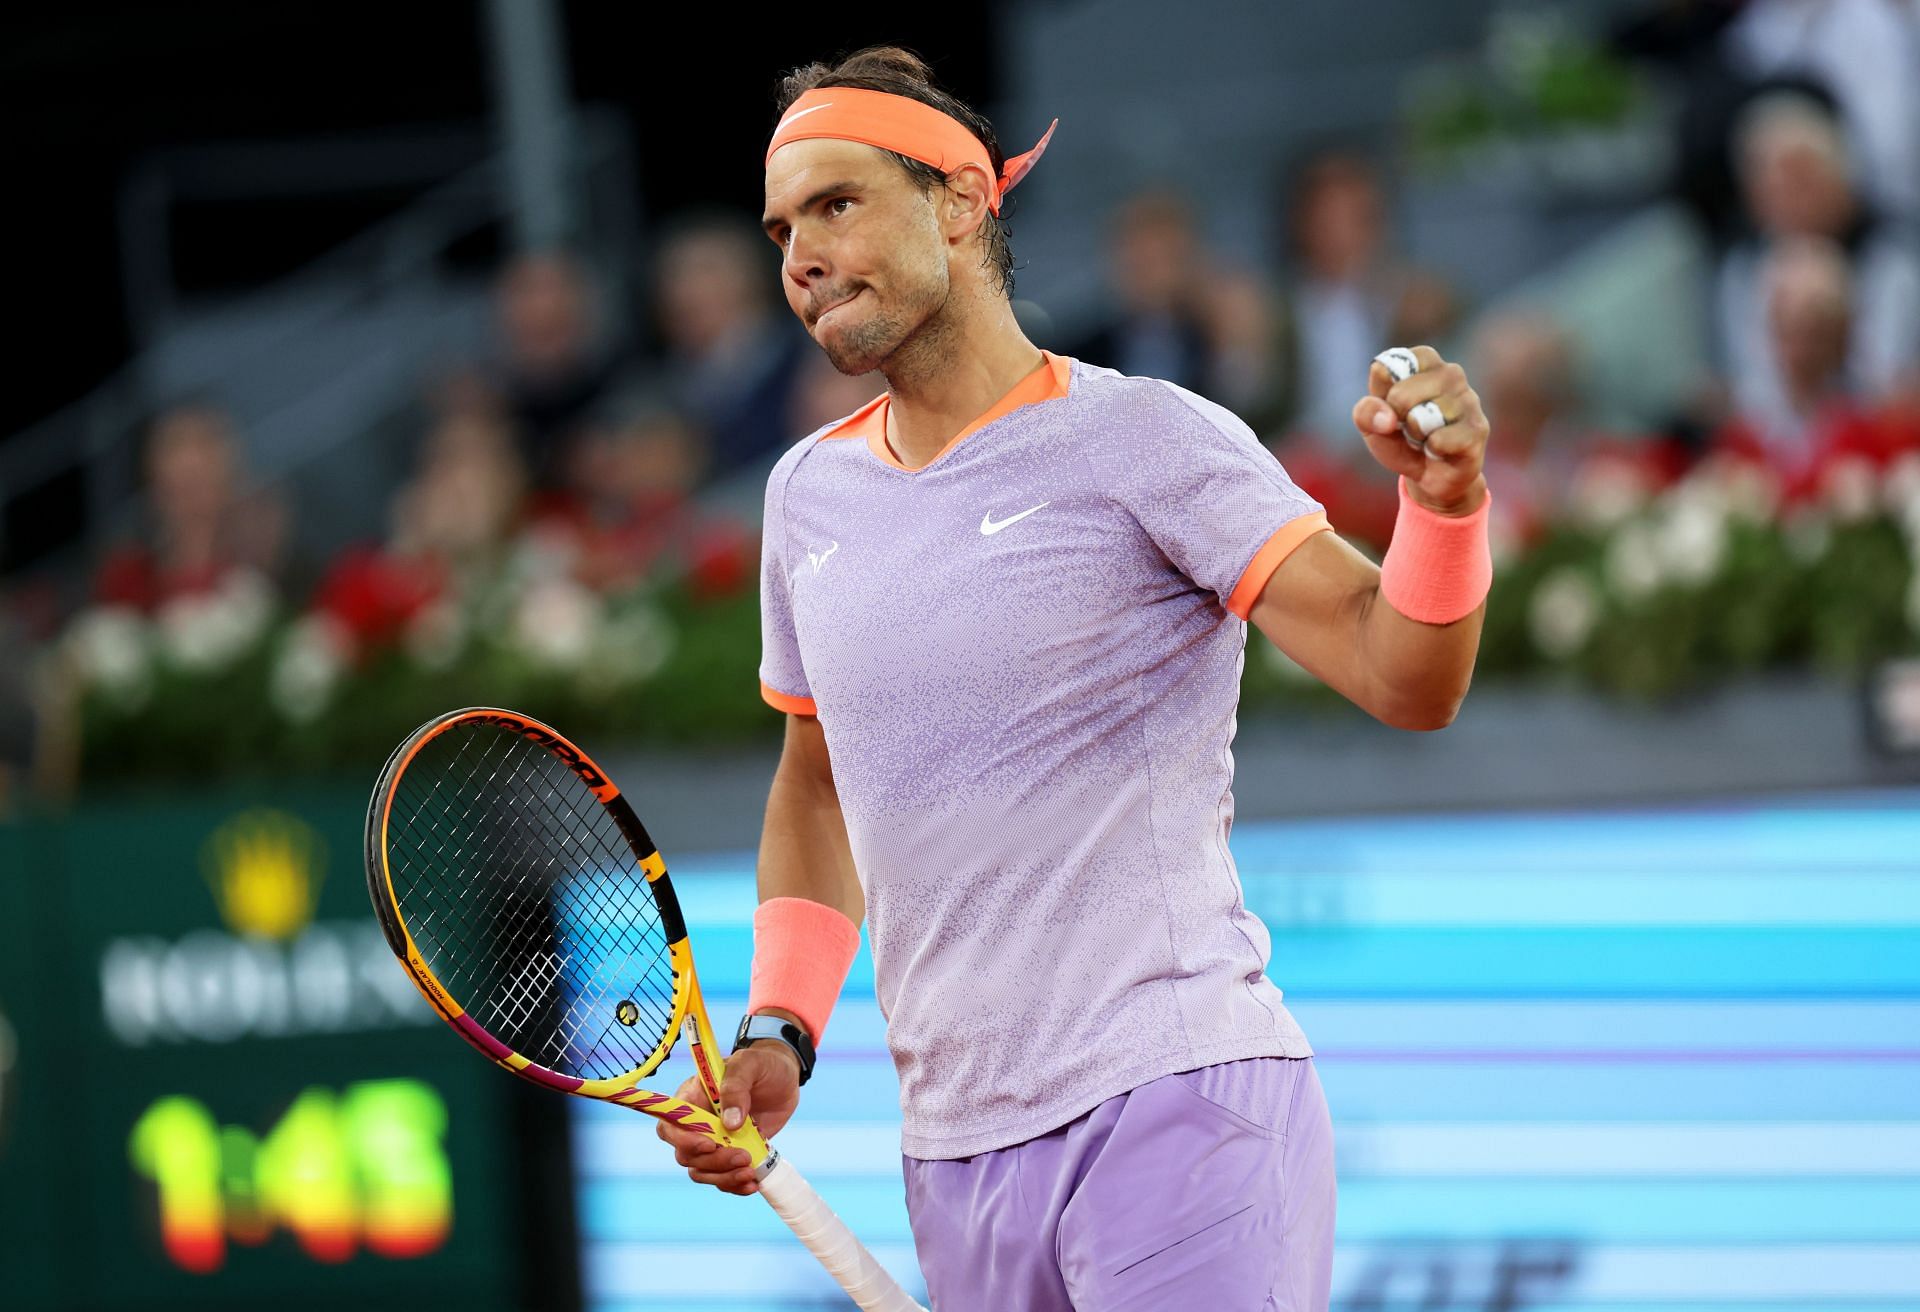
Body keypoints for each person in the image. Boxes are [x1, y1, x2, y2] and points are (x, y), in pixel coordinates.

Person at [656, 46, 1494, 1310]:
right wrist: (780, 1025)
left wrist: (1445, 506)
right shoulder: (804, 498)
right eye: (781, 229)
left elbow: (1404, 675)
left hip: (1177, 1104)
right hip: (954, 1160)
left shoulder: (1146, 438)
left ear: (959, 200)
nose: (800, 259)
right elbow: (819, 788)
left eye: (837, 205)